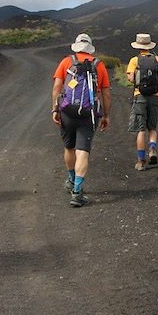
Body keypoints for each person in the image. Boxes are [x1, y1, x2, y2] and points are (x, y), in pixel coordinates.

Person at [51, 33, 111, 207]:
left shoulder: (66, 62)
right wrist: (106, 115)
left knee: (69, 147)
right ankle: (77, 192)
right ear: (90, 48)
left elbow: (57, 87)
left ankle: (70, 179)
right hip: (88, 114)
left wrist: (55, 109)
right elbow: (106, 94)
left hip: (67, 112)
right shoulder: (99, 65)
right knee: (83, 150)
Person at [126, 33, 158, 171]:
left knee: (141, 130)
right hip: (156, 96)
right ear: (149, 45)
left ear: (138, 46)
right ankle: (152, 147)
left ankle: (141, 162)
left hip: (140, 96)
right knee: (152, 128)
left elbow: (130, 79)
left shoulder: (134, 60)